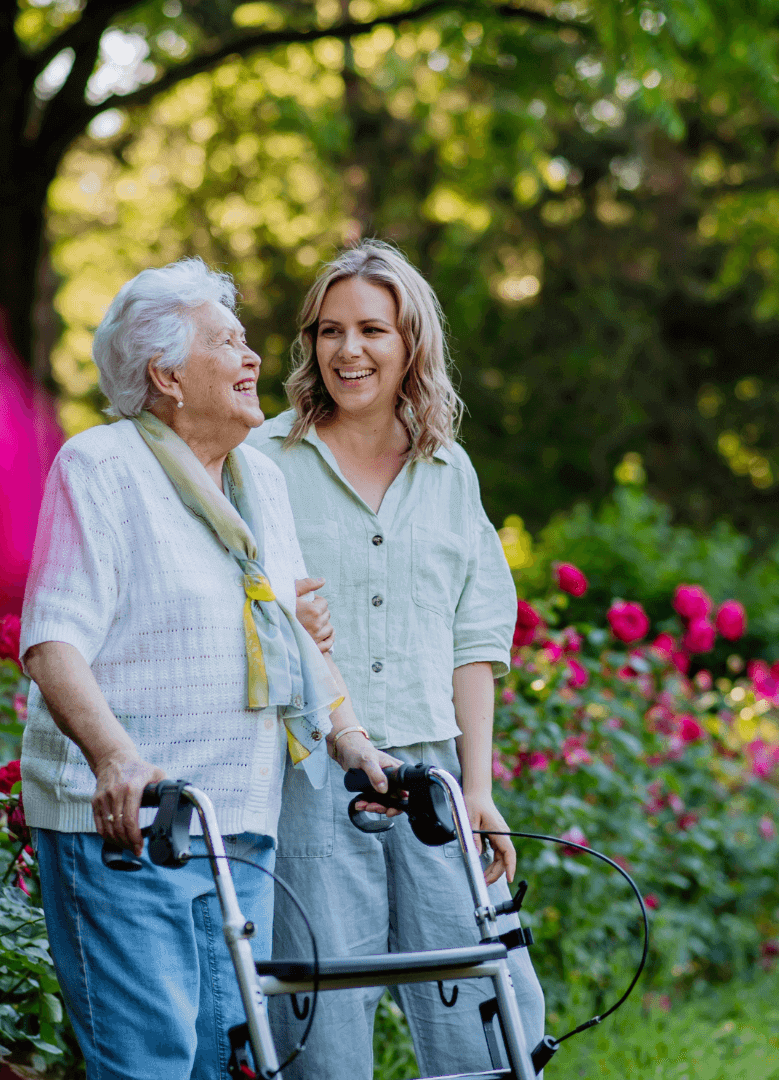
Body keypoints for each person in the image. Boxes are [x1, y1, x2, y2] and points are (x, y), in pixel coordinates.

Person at [19, 257, 399, 1080]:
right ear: (165, 375)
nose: (253, 357)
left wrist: (351, 737)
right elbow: (54, 640)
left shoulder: (257, 477)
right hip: (130, 828)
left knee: (229, 1063)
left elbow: (293, 636)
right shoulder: (103, 468)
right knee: (149, 1062)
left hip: (239, 826)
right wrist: (115, 756)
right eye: (227, 342)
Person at [247, 240, 546, 1079]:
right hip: (311, 775)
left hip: (432, 776)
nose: (349, 350)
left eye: (373, 329)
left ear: (411, 341)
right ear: (309, 343)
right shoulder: (262, 463)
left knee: (485, 1009)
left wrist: (477, 788)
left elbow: (476, 641)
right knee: (319, 1012)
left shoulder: (450, 472)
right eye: (330, 330)